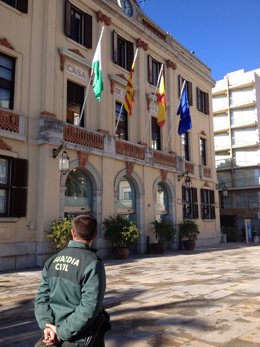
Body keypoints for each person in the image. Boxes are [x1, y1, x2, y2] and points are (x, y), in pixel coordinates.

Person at [34, 214, 109, 347]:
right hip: (80, 338)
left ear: (72, 232)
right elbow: (90, 307)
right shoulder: (93, 263)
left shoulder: (52, 260)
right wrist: (62, 332)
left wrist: (47, 327)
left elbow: (41, 298)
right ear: (96, 234)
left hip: (51, 336)